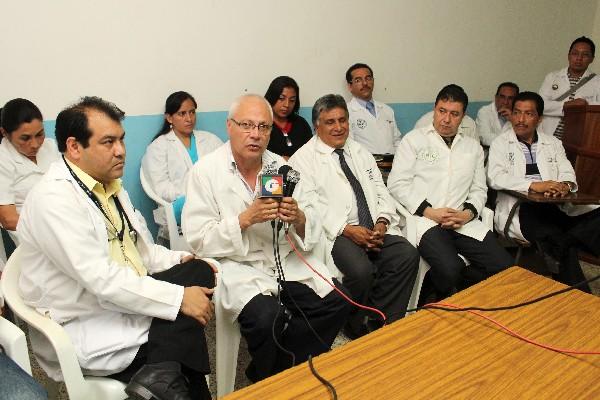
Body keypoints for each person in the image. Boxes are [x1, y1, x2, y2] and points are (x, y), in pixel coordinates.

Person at [17, 96, 217, 400]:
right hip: (88, 318)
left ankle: (161, 372)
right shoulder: (53, 199)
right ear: (74, 147)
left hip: (125, 295)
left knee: (199, 270)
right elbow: (101, 280)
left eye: (121, 139)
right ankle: (165, 372)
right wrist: (178, 299)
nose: (121, 150)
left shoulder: (109, 186)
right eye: (108, 142)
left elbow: (140, 251)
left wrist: (180, 258)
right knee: (184, 346)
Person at [182, 94, 350, 382]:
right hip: (238, 266)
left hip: (284, 259)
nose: (255, 134)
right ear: (230, 126)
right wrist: (245, 219)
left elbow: (313, 220)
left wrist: (298, 218)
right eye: (247, 125)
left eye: (263, 127)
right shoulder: (206, 172)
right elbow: (198, 238)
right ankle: (279, 376)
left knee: (337, 303)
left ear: (271, 131)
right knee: (267, 318)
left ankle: (272, 373)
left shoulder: (282, 169)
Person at [289, 94, 419, 338]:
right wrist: (347, 229)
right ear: (317, 125)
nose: (338, 127)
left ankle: (383, 319)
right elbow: (309, 207)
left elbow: (380, 189)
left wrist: (382, 222)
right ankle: (353, 323)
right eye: (330, 122)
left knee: (406, 255)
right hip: (336, 233)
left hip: (373, 227)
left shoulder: (359, 151)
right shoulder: (302, 160)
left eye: (342, 120)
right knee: (360, 271)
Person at [388, 84, 513, 300]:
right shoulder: (414, 140)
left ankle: (464, 298)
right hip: (425, 220)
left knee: (504, 266)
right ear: (434, 109)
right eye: (442, 111)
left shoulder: (472, 148)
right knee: (451, 268)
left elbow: (479, 189)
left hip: (461, 221)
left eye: (454, 114)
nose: (446, 119)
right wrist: (429, 211)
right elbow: (397, 183)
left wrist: (467, 214)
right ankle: (436, 298)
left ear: (463, 117)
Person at [487, 91, 599, 292]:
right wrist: (533, 185)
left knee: (595, 217)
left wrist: (565, 185)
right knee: (556, 236)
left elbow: (567, 172)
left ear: (539, 119)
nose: (521, 119)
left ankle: (564, 244)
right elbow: (494, 177)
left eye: (528, 114)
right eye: (517, 113)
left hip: (555, 206)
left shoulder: (553, 143)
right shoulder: (500, 143)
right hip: (522, 209)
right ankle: (578, 294)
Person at [141, 91, 222, 240]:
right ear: (169, 118)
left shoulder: (210, 140)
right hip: (180, 205)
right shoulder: (158, 147)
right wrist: (193, 194)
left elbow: (226, 169)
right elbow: (160, 187)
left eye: (192, 112)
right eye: (182, 114)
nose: (189, 118)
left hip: (212, 200)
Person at [0, 99, 59, 241]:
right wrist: (54, 228)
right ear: (5, 133)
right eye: (25, 138)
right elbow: (8, 219)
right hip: (34, 235)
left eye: (40, 134)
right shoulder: (3, 160)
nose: (35, 144)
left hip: (64, 218)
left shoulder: (50, 147)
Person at [539, 36, 600, 139]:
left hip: (578, 140)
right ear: (568, 55)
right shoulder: (552, 77)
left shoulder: (597, 82)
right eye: (575, 53)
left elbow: (597, 110)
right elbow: (540, 105)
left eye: (585, 55)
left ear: (592, 59)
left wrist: (584, 104)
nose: (579, 58)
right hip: (548, 137)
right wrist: (566, 105)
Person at [346, 63, 402, 155]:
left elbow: (396, 140)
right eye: (358, 80)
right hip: (365, 163)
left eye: (368, 78)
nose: (365, 83)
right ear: (350, 86)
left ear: (373, 81)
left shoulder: (387, 110)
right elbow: (349, 146)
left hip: (392, 162)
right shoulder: (346, 112)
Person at [264, 76, 313, 159]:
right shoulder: (262, 125)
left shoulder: (301, 123)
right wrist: (279, 160)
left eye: (292, 100)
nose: (287, 105)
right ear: (272, 97)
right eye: (281, 98)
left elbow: (312, 153)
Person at [476, 82, 519, 148]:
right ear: (496, 97)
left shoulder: (520, 114)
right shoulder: (484, 111)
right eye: (502, 97)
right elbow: (485, 138)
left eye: (510, 98)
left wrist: (513, 120)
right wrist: (512, 141)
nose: (505, 102)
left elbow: (524, 137)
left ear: (516, 101)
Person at [414, 110, 478, 141]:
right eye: (442, 111)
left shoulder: (469, 123)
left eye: (454, 114)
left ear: (463, 115)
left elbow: (476, 154)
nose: (447, 120)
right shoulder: (423, 122)